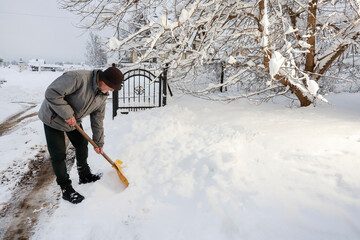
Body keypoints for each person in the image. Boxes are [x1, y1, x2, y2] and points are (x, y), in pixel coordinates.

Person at [38, 67, 124, 204]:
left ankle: (84, 175)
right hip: (52, 117)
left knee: (82, 144)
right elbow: (51, 92)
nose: (112, 90)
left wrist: (98, 142)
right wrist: (67, 113)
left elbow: (97, 120)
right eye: (111, 86)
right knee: (58, 154)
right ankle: (65, 188)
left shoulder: (102, 95)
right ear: (103, 80)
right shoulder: (77, 78)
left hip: (73, 121)